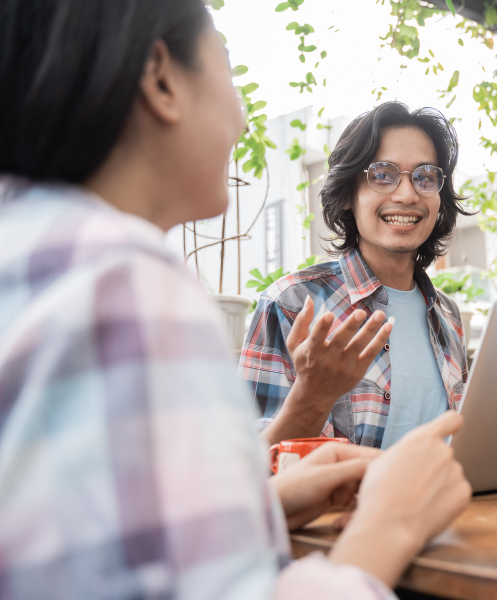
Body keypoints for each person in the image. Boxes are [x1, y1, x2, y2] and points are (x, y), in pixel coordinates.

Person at [0, 1, 471, 599]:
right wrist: (391, 520)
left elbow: (108, 545)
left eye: (425, 177)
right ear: (162, 78)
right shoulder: (124, 285)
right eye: (226, 65)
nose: (245, 119)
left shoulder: (36, 252)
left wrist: (263, 503)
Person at [240, 102, 470, 449]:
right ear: (348, 193)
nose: (407, 194)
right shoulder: (291, 305)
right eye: (382, 174)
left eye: (424, 177)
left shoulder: (448, 315)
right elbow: (249, 467)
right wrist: (312, 395)